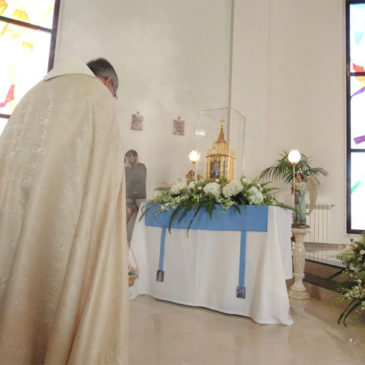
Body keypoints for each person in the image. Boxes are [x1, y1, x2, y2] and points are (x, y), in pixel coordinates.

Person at [0, 58, 128, 364]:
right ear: (108, 83)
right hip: (64, 232)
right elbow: (105, 185)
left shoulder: (32, 95)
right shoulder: (96, 98)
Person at [125, 149, 147, 244]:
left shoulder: (142, 167)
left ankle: (139, 242)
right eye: (127, 158)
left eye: (130, 157)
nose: (129, 160)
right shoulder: (126, 168)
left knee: (141, 220)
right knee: (124, 215)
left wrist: (128, 167)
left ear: (136, 157)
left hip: (140, 198)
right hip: (129, 198)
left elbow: (136, 176)